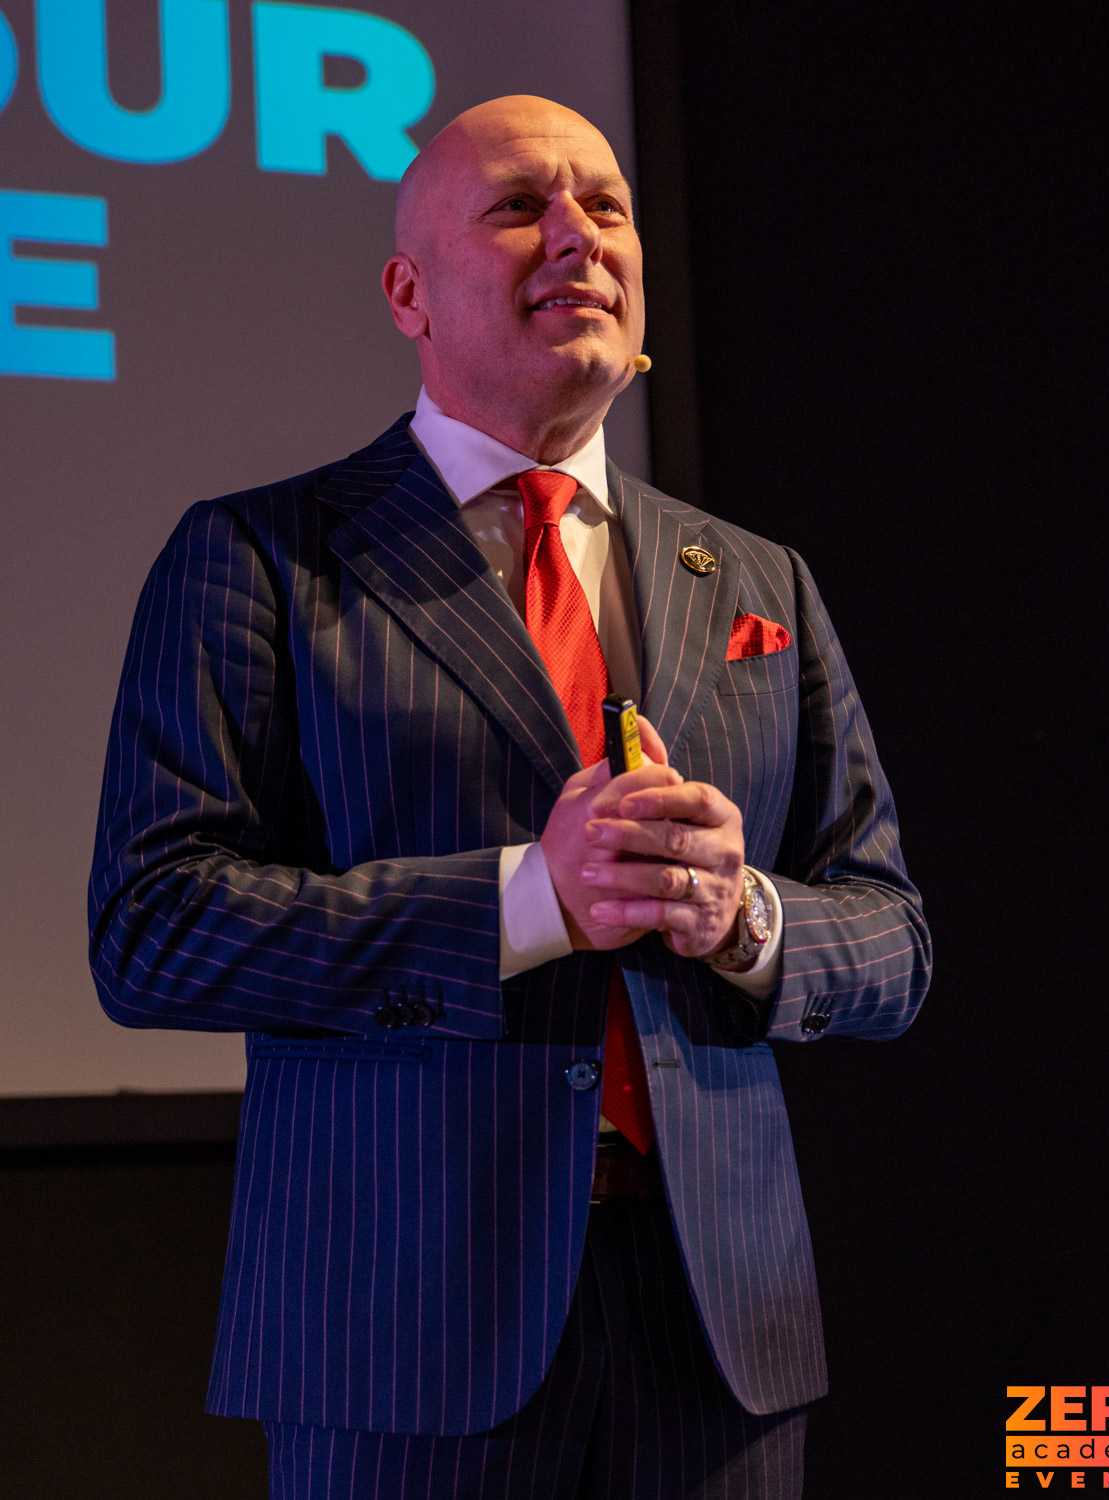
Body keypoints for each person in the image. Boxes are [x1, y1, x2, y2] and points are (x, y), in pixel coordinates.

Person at [88, 95, 931, 1499]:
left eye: (607, 206)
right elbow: (154, 929)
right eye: (520, 207)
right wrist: (531, 901)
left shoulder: (757, 578)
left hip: (718, 1334)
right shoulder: (258, 556)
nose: (579, 237)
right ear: (408, 295)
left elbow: (893, 938)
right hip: (403, 1331)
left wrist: (742, 918)